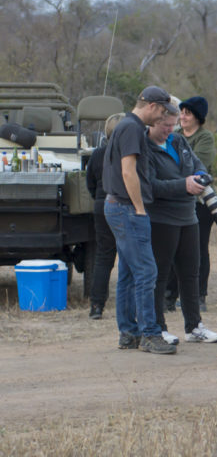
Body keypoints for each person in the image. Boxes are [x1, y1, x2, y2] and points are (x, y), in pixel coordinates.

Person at [101, 86, 178, 355]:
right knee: (147, 272)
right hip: (127, 208)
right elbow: (128, 170)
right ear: (154, 106)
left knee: (129, 274)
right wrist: (139, 208)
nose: (161, 119)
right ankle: (149, 334)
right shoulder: (133, 128)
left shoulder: (125, 125)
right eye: (162, 113)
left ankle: (128, 333)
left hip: (116, 206)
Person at [146, 110, 217, 345]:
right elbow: (150, 186)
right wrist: (183, 185)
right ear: (152, 122)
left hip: (189, 216)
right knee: (159, 275)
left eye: (173, 124)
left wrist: (200, 174)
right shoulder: (144, 147)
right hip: (161, 218)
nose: (170, 129)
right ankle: (158, 327)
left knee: (191, 272)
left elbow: (196, 162)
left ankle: (194, 326)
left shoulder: (178, 140)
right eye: (165, 125)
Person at [166, 96, 216, 312]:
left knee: (198, 249)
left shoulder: (205, 138)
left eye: (187, 112)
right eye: (181, 112)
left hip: (199, 202)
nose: (183, 116)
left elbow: (197, 164)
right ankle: (169, 295)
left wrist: (175, 172)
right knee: (170, 249)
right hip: (175, 200)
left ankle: (199, 295)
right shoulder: (174, 135)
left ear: (198, 117)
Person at [85, 112, 124, 319]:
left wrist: (99, 199)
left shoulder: (98, 153)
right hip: (124, 204)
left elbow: (89, 182)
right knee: (131, 256)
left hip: (101, 205)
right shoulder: (128, 153)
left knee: (104, 256)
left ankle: (96, 306)